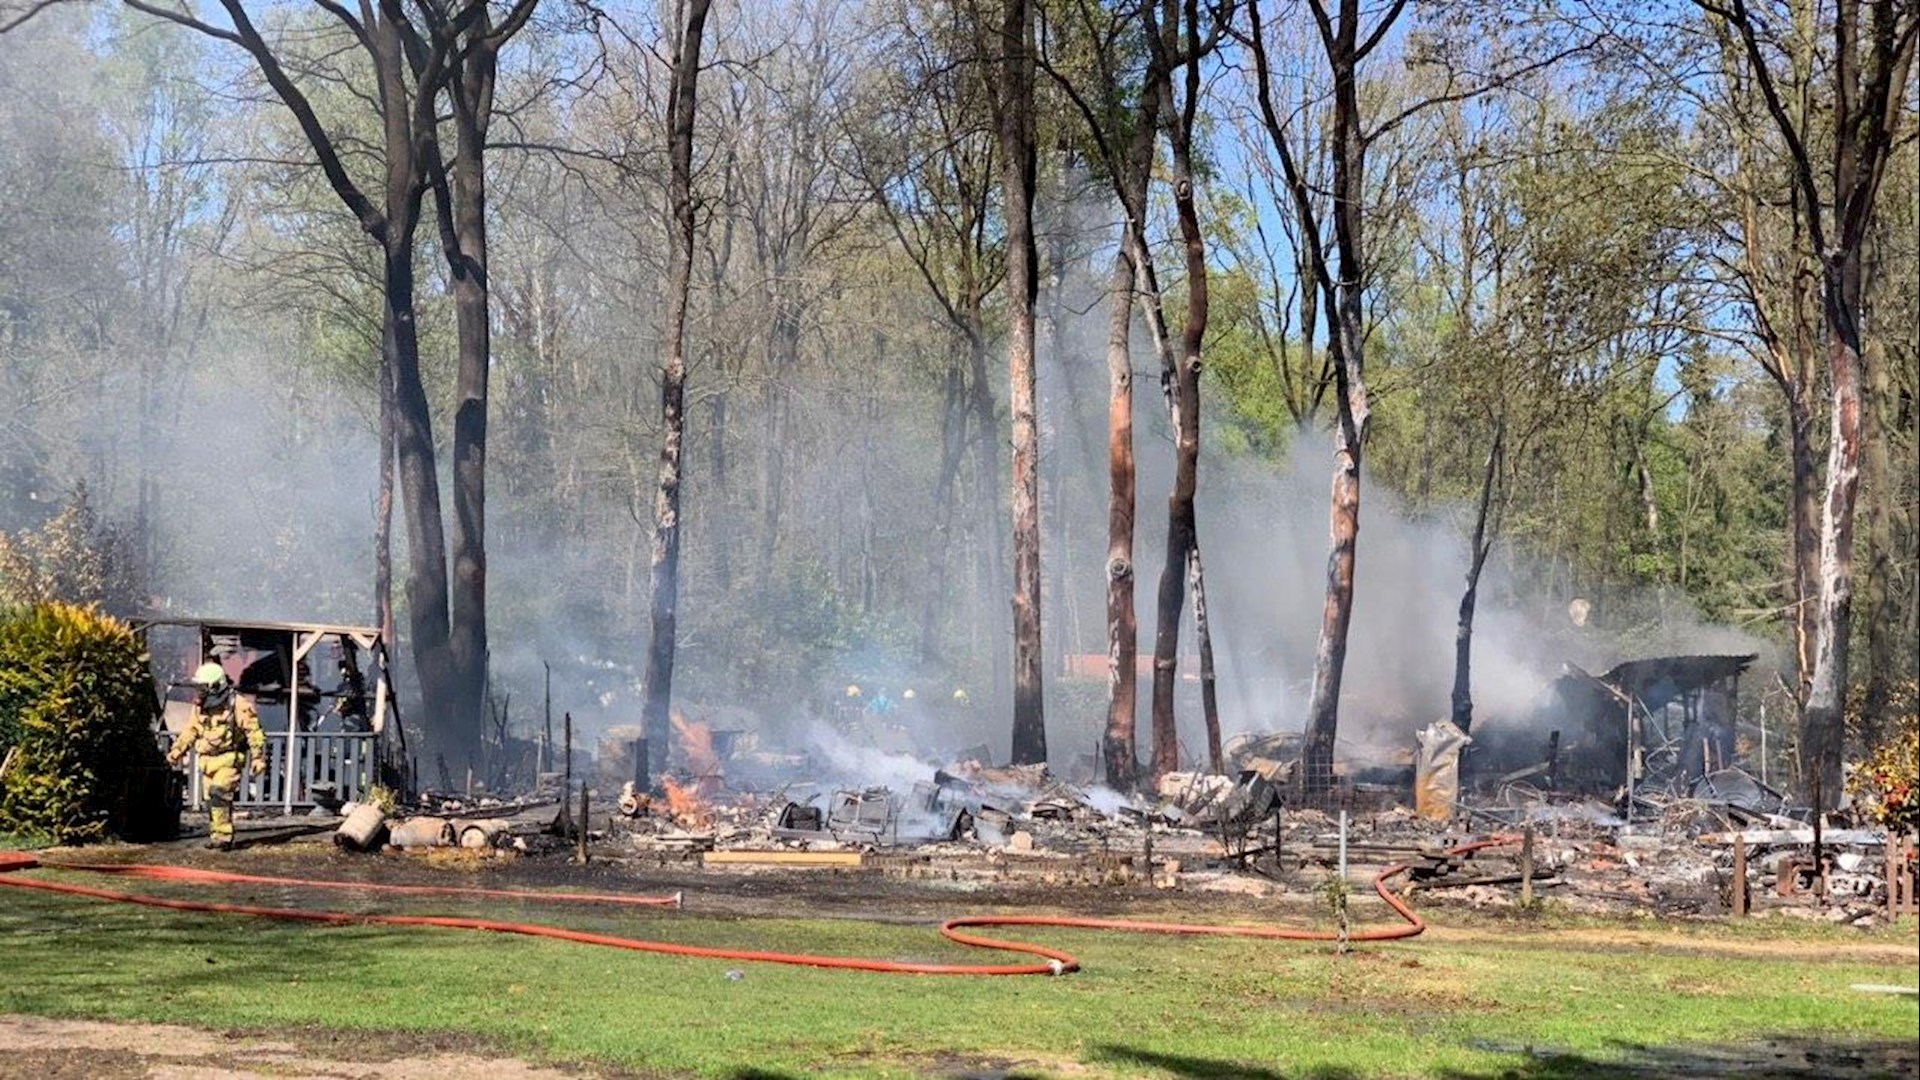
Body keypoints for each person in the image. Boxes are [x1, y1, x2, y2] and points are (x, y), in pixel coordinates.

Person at [167, 661, 267, 850]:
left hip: (229, 759)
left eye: (204, 687)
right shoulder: (199, 707)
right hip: (207, 761)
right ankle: (216, 834)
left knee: (219, 793)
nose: (200, 692)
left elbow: (254, 733)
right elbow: (191, 730)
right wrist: (177, 751)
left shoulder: (238, 705)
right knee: (210, 802)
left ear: (215, 686)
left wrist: (258, 758)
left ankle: (224, 837)